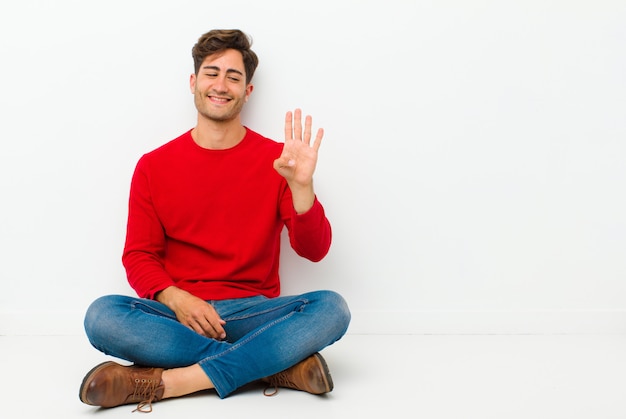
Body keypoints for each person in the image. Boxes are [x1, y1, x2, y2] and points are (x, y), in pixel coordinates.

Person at [79, 29, 350, 413]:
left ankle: (172, 383)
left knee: (333, 308)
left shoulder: (279, 162)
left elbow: (315, 250)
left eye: (233, 77)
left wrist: (302, 187)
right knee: (102, 316)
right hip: (178, 317)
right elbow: (139, 256)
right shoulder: (154, 166)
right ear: (194, 82)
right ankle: (272, 366)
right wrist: (178, 299)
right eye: (211, 73)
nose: (221, 85)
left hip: (252, 313)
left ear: (247, 91)